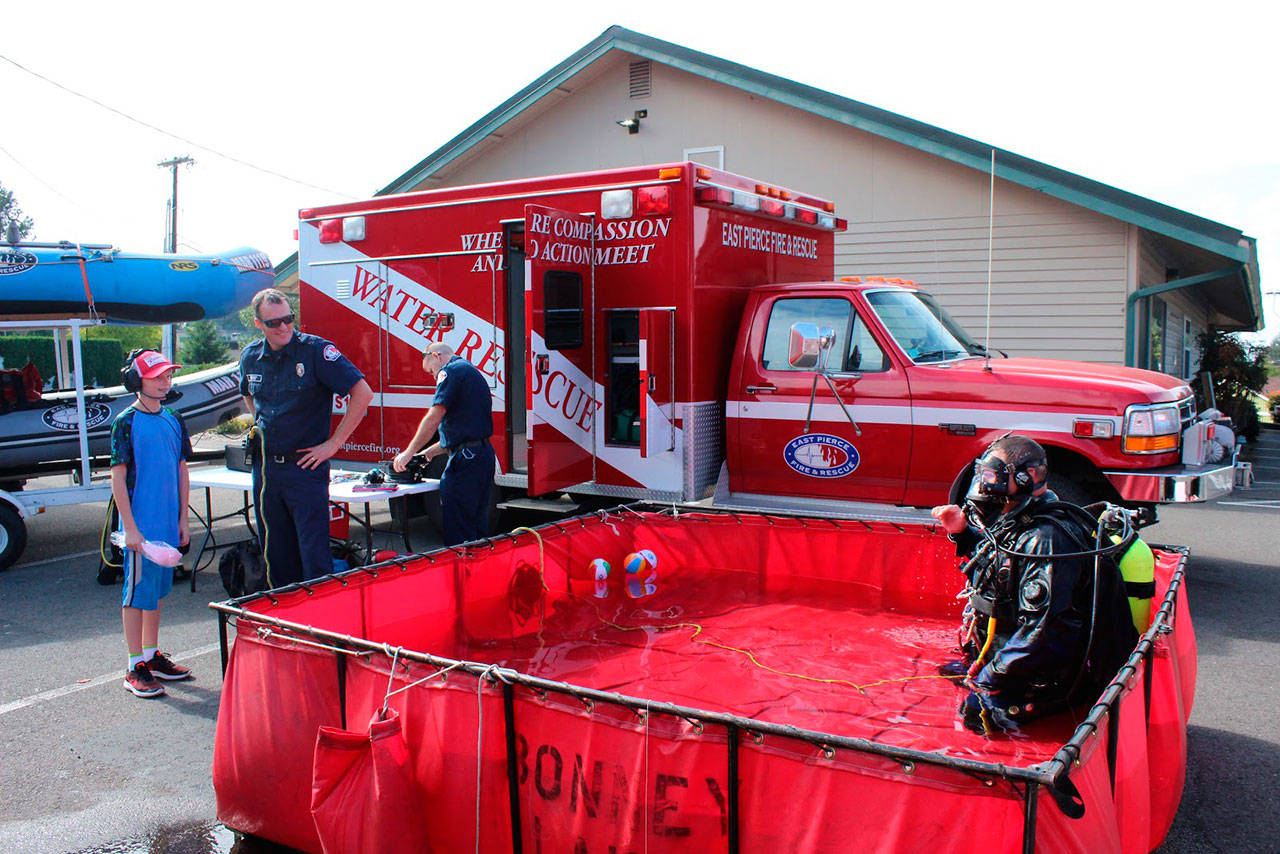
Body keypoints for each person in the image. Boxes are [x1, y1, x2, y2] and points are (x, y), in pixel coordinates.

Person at [930, 435, 1137, 732]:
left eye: (993, 477)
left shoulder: (1047, 540)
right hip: (1011, 659)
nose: (985, 485)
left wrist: (988, 681)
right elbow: (1002, 562)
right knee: (945, 679)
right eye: (983, 475)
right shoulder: (1020, 520)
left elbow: (1045, 633)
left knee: (973, 725)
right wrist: (962, 532)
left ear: (1026, 477)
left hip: (1042, 679)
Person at [239, 289, 373, 587]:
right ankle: (285, 613)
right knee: (276, 554)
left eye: (288, 319)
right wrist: (261, 424)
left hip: (305, 468)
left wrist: (333, 445)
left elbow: (362, 393)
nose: (283, 327)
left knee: (314, 558)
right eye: (274, 322)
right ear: (258, 324)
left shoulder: (315, 352)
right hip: (267, 470)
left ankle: (320, 614)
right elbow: (249, 395)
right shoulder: (250, 357)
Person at [110, 350, 193, 698]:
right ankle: (134, 666)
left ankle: (151, 655)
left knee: (156, 593)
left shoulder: (173, 419)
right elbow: (118, 477)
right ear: (136, 381)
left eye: (167, 376)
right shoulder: (126, 422)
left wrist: (183, 519)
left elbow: (182, 470)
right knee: (136, 595)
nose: (164, 382)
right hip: (141, 529)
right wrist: (130, 528)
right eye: (156, 376)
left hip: (167, 526)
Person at [392, 343, 495, 546]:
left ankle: (462, 565)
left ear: (436, 356)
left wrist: (408, 452)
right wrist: (429, 453)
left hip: (466, 462)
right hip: (482, 456)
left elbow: (434, 416)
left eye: (431, 371)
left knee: (460, 532)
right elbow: (463, 433)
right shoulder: (470, 371)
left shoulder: (450, 372)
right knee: (477, 528)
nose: (433, 377)